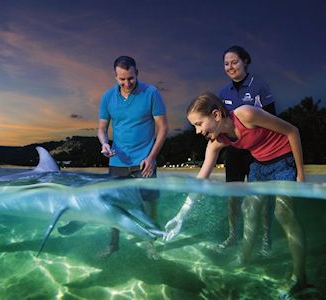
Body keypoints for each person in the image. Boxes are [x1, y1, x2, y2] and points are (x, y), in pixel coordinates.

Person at [164, 92, 309, 296]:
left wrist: (300, 174)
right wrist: (180, 216)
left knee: (283, 214)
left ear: (216, 115)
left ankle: (299, 277)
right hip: (259, 166)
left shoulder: (246, 114)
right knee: (249, 209)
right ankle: (244, 259)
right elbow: (200, 180)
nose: (197, 131)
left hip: (284, 162)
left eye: (198, 124)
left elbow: (292, 131)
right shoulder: (217, 142)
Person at [98, 55, 168, 257]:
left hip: (145, 162)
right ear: (115, 76)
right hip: (117, 162)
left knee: (149, 206)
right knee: (115, 207)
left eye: (130, 78)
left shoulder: (151, 92)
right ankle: (113, 244)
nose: (127, 83)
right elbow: (102, 128)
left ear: (137, 73)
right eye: (122, 79)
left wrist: (152, 156)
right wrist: (104, 143)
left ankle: (151, 243)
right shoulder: (107, 97)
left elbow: (162, 128)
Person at [219, 45, 276, 254]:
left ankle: (266, 238)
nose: (230, 67)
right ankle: (233, 236)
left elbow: (273, 120)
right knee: (232, 197)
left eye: (234, 62)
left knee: (261, 197)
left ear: (245, 62)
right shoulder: (223, 93)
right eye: (226, 64)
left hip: (258, 153)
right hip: (234, 153)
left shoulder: (259, 86)